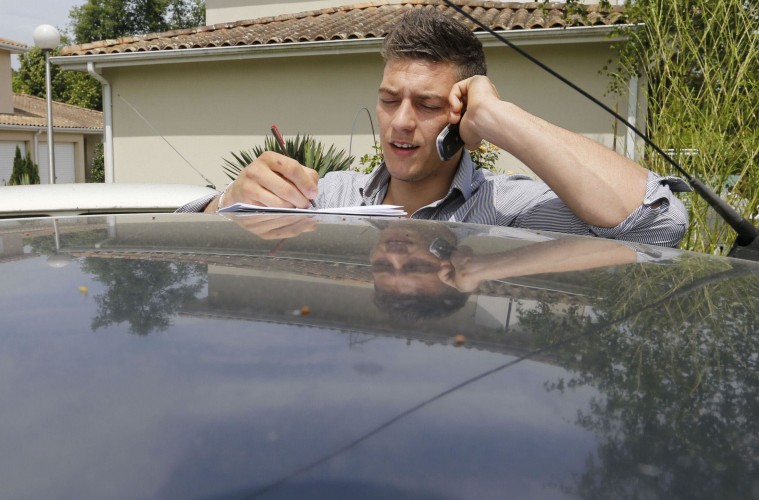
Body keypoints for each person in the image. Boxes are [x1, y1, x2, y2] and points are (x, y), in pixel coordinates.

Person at [180, 9, 690, 248]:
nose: (400, 122)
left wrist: (500, 118)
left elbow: (659, 225)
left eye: (426, 104)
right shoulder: (324, 197)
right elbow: (181, 237)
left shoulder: (509, 209)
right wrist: (224, 202)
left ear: (462, 112)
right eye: (388, 100)